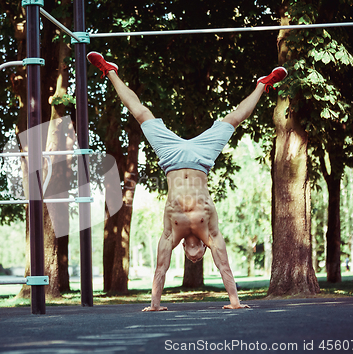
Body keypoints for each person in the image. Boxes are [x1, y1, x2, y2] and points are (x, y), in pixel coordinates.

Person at [87, 51, 287, 311]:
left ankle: (109, 70)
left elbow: (161, 267)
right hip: (202, 158)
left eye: (190, 258)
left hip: (170, 158)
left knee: (141, 114)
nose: (194, 258)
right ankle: (264, 83)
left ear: (183, 251)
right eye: (198, 258)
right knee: (234, 119)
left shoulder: (171, 235)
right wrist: (235, 302)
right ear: (204, 252)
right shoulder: (212, 236)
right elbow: (224, 264)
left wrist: (154, 304)